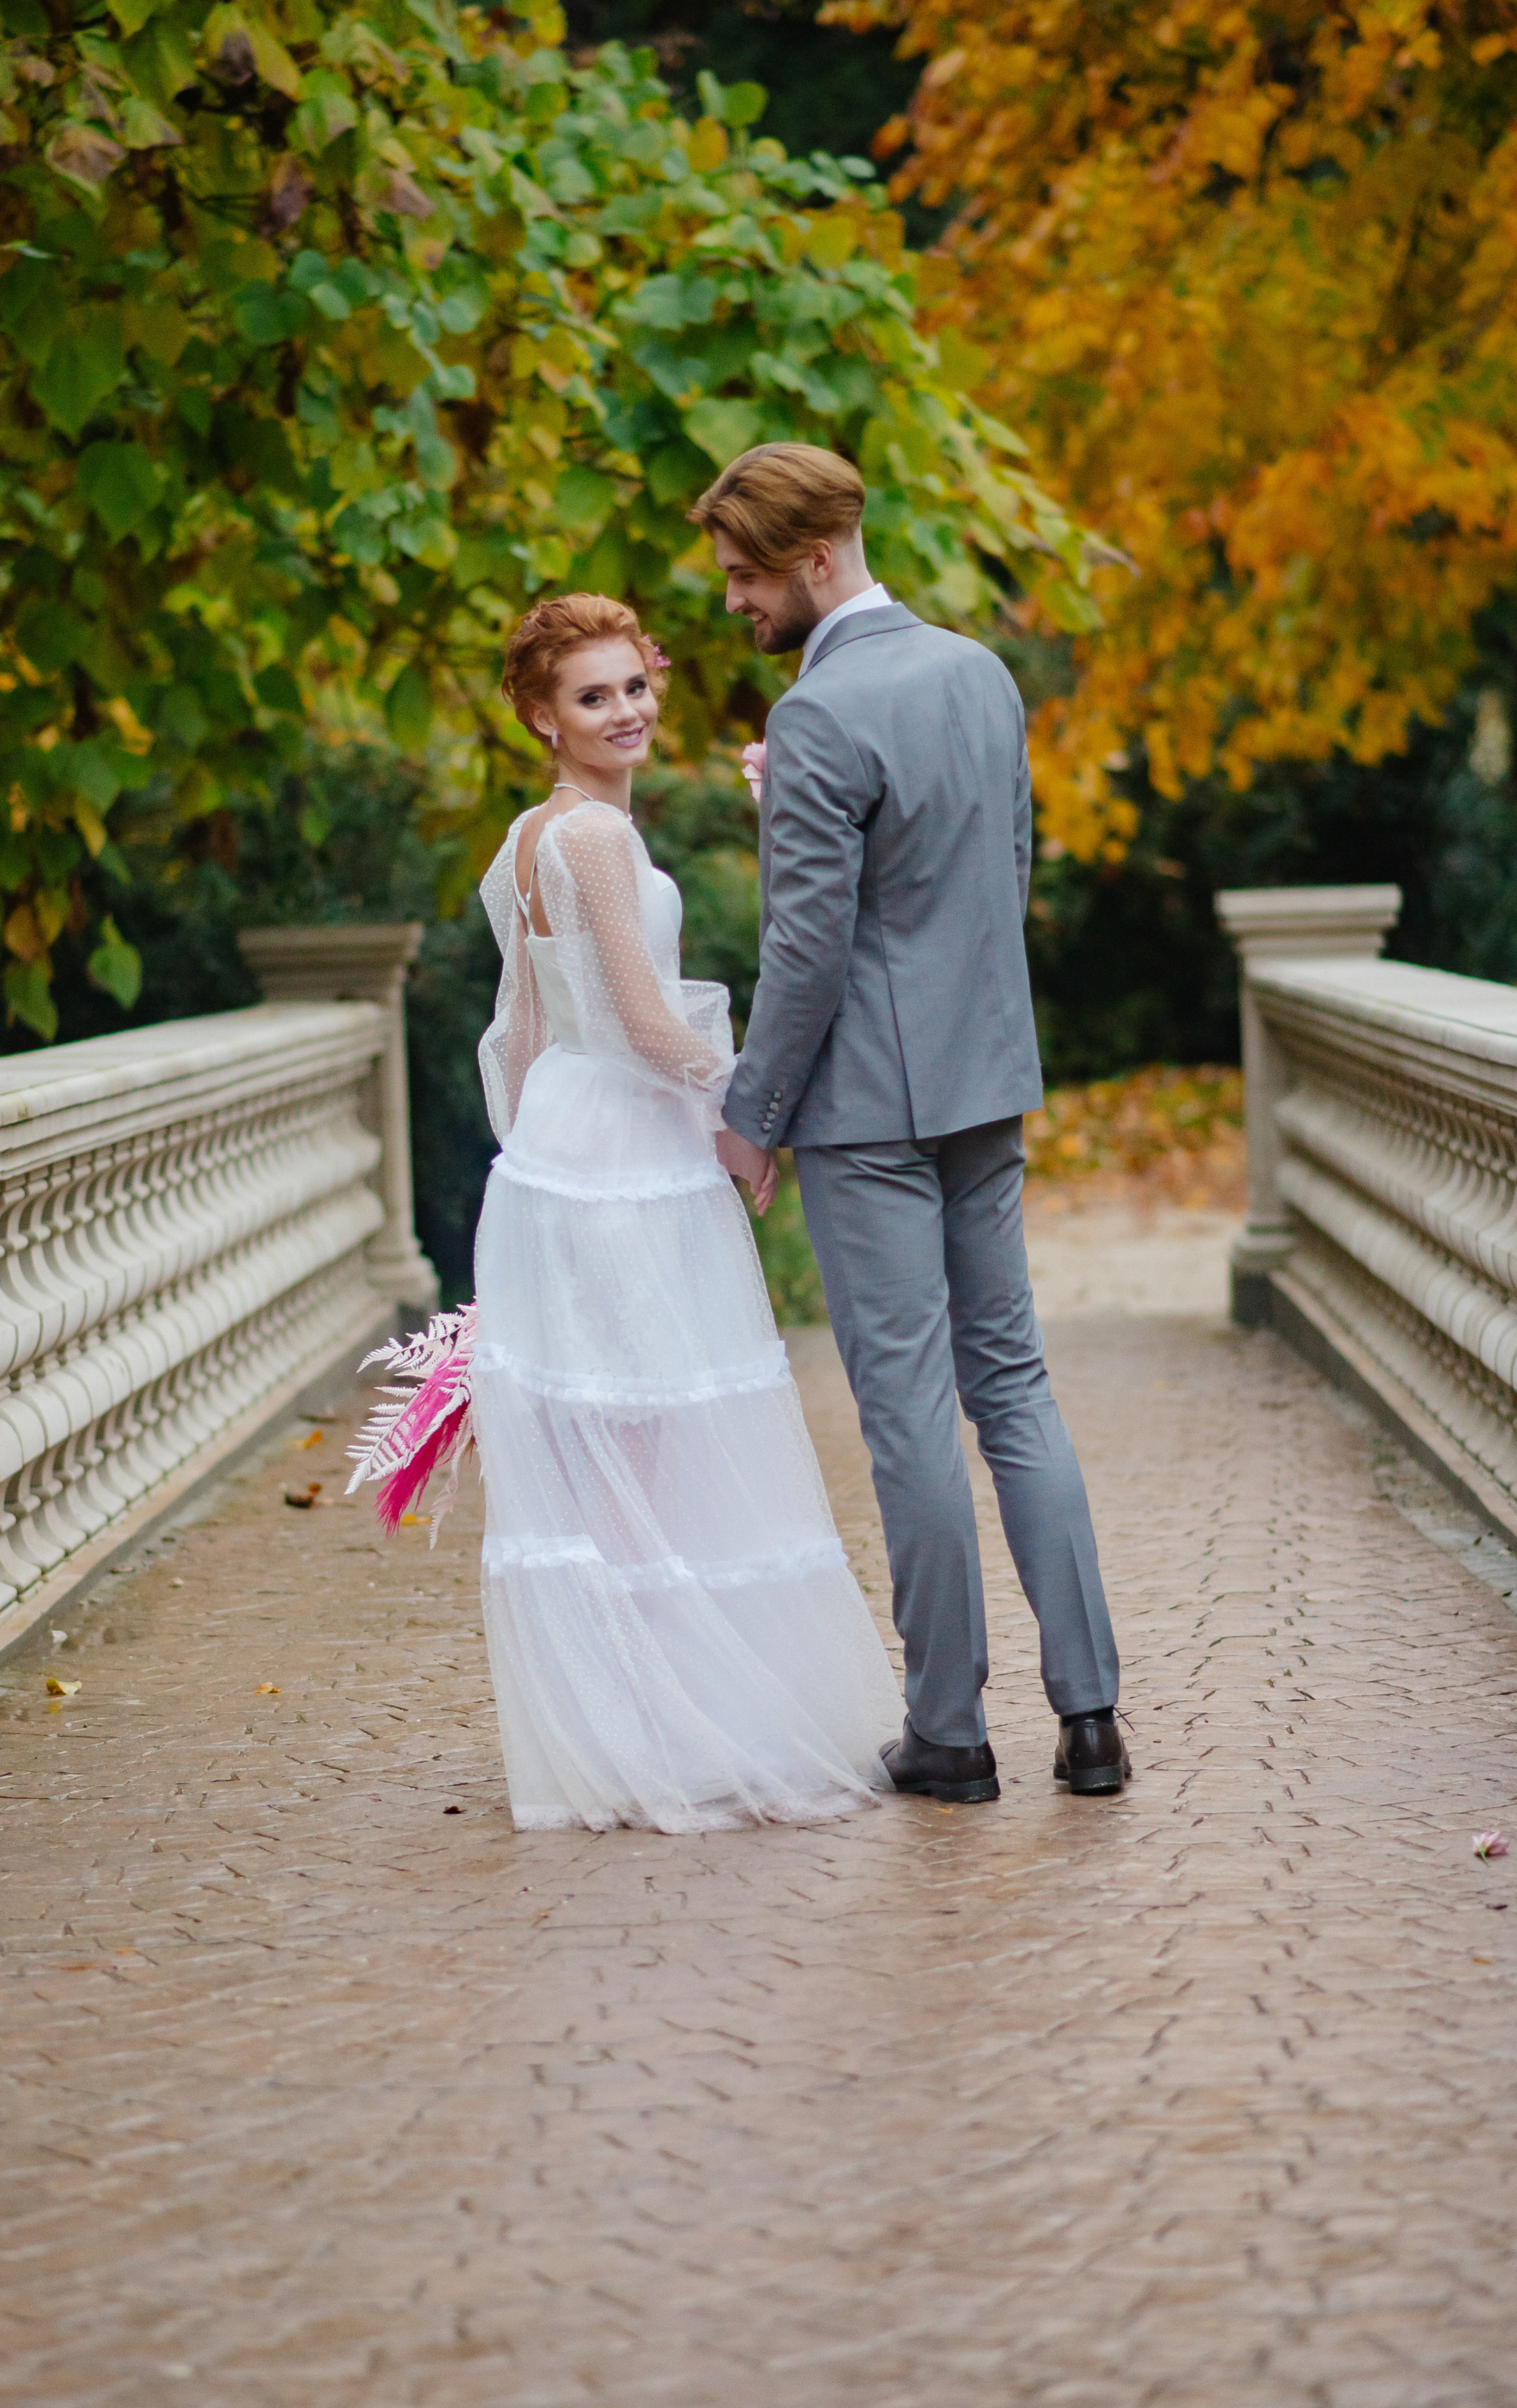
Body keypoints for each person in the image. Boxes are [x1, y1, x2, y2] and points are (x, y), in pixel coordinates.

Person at [689, 442, 1128, 1801]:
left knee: (905, 1418)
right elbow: (991, 877)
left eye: (745, 578)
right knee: (1011, 1387)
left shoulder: (820, 716)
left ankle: (948, 1734)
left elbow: (808, 948)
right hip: (981, 1084)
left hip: (867, 1113)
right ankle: (1091, 1718)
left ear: (814, 560)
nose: (731, 605)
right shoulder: (976, 675)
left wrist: (751, 1114)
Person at [471, 591, 903, 1832]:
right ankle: (650, 1731)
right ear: (543, 718)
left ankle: (625, 1723)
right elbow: (649, 1021)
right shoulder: (596, 844)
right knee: (645, 1446)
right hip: (617, 1155)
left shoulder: (529, 839)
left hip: (567, 1141)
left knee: (617, 1445)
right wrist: (751, 1111)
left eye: (634, 687)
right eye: (592, 697)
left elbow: (522, 1033)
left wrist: (533, 1165)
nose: (625, 713)